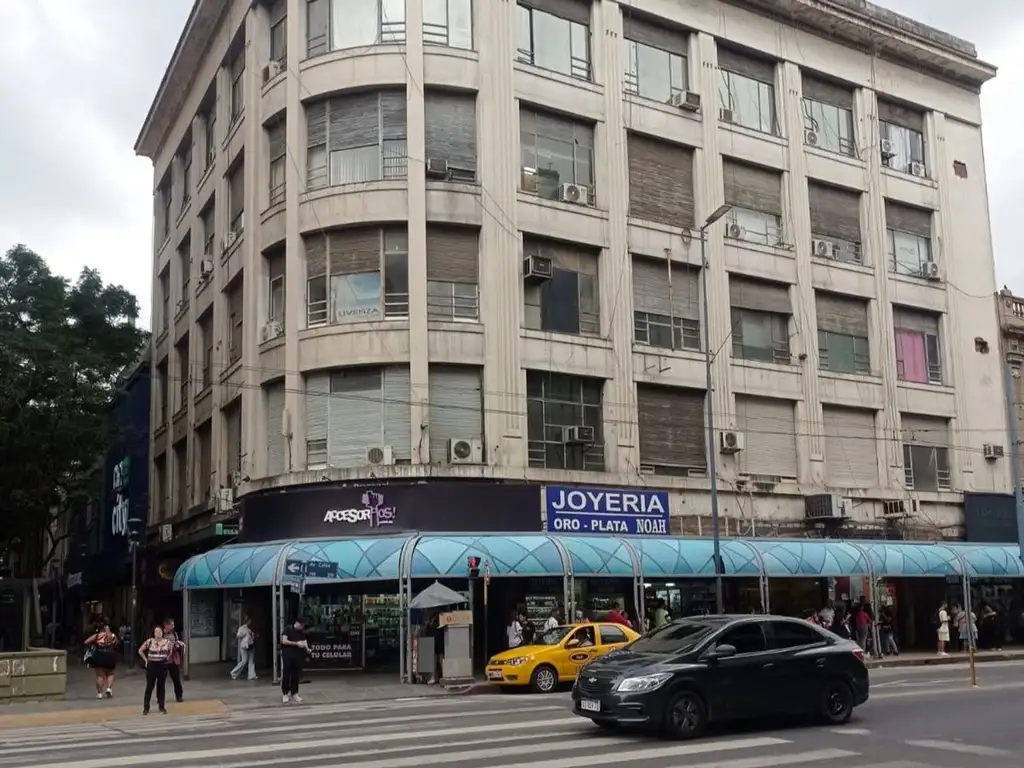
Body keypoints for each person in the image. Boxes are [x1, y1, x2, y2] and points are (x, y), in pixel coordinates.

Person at [138, 625, 173, 715]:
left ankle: (161, 706)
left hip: (162, 665)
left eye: (160, 631)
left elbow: (170, 652)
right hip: (152, 665)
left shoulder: (167, 642)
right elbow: (140, 650)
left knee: (161, 687)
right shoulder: (149, 641)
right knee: (149, 686)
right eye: (156, 631)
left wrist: (165, 659)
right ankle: (146, 707)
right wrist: (146, 660)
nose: (158, 633)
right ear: (153, 633)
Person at [85, 622, 119, 699]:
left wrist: (95, 643)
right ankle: (109, 689)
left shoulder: (97, 635)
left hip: (99, 655)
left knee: (100, 675)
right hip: (110, 655)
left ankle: (100, 693)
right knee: (110, 673)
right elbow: (116, 644)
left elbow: (86, 642)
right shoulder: (113, 635)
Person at [280, 619, 308, 704]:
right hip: (287, 654)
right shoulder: (288, 629)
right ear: (297, 623)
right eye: (301, 625)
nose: (302, 627)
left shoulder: (301, 632)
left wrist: (307, 648)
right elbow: (284, 641)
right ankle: (285, 693)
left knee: (296, 674)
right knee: (286, 673)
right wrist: (296, 643)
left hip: (297, 655)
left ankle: (294, 692)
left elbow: (304, 641)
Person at [162, 619, 185, 702]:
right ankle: (160, 697)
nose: (173, 626)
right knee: (161, 680)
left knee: (176, 679)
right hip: (163, 660)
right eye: (172, 625)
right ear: (166, 625)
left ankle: (179, 695)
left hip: (173, 660)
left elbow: (177, 642)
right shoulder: (161, 634)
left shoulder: (174, 633)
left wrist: (177, 646)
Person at [230, 615, 257, 681]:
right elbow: (238, 635)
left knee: (251, 661)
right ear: (246, 621)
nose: (250, 622)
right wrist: (244, 634)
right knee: (244, 661)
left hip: (251, 645)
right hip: (244, 646)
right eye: (249, 620)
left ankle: (251, 675)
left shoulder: (251, 628)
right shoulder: (242, 628)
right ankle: (234, 673)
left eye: (251, 620)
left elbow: (252, 636)